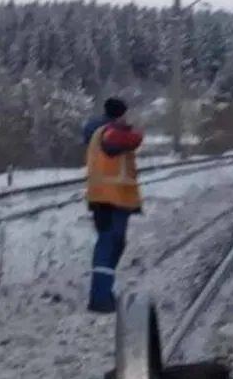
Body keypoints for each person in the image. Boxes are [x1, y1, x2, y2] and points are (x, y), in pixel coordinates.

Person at [82, 97, 144, 313]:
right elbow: (125, 142)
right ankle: (99, 298)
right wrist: (134, 132)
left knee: (113, 244)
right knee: (109, 244)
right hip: (111, 198)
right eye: (126, 114)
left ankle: (103, 293)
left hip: (106, 198)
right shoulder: (109, 132)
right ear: (120, 114)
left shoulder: (97, 131)